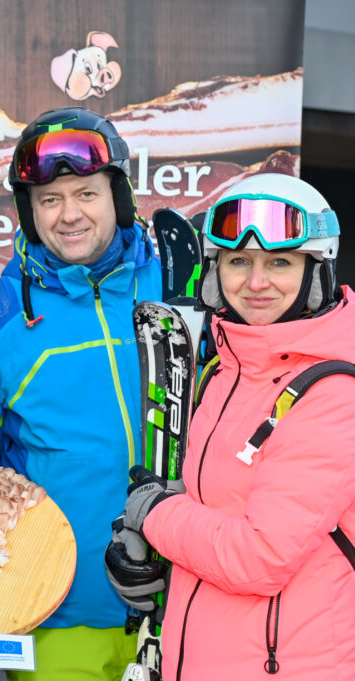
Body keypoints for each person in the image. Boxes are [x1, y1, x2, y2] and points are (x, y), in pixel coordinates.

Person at [106, 173, 355, 680]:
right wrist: (142, 546)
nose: (256, 282)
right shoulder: (225, 371)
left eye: (279, 263)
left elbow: (260, 556)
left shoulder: (334, 394)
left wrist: (156, 514)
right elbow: (213, 505)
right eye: (239, 262)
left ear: (316, 271)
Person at [0, 107, 161, 680]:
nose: (70, 215)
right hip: (61, 616)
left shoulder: (179, 289)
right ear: (28, 211)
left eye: (86, 193)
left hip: (187, 606)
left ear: (116, 196)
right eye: (49, 199)